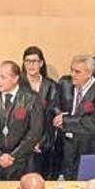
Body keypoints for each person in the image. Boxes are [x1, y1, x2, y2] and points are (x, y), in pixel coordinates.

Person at [0, 61, 43, 180]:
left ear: (15, 78)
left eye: (3, 77)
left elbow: (34, 133)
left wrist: (13, 156)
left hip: (22, 163)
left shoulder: (32, 98)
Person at [54, 55, 95, 179]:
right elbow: (55, 105)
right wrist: (59, 114)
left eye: (77, 71)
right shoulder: (65, 85)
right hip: (66, 149)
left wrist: (67, 121)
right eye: (71, 70)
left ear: (89, 73)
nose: (72, 74)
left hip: (89, 150)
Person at [20, 47, 59, 177]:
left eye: (35, 61)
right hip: (20, 142)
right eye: (28, 61)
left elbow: (52, 116)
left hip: (44, 142)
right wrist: (28, 142)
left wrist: (40, 141)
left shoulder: (50, 85)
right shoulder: (18, 84)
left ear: (41, 63)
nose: (31, 65)